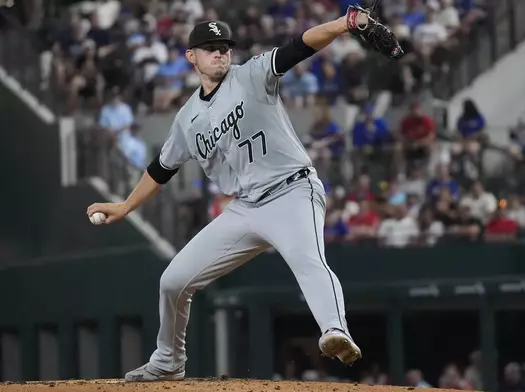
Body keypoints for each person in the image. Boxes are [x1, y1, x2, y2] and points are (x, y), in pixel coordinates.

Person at [86, 13, 390, 381]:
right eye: (210, 49)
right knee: (173, 281)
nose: (219, 54)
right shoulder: (187, 118)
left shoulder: (251, 75)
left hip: (292, 190)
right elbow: (162, 168)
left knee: (307, 258)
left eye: (224, 48)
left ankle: (334, 330)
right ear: (191, 57)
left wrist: (344, 24)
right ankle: (168, 361)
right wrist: (125, 206)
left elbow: (300, 45)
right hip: (245, 208)